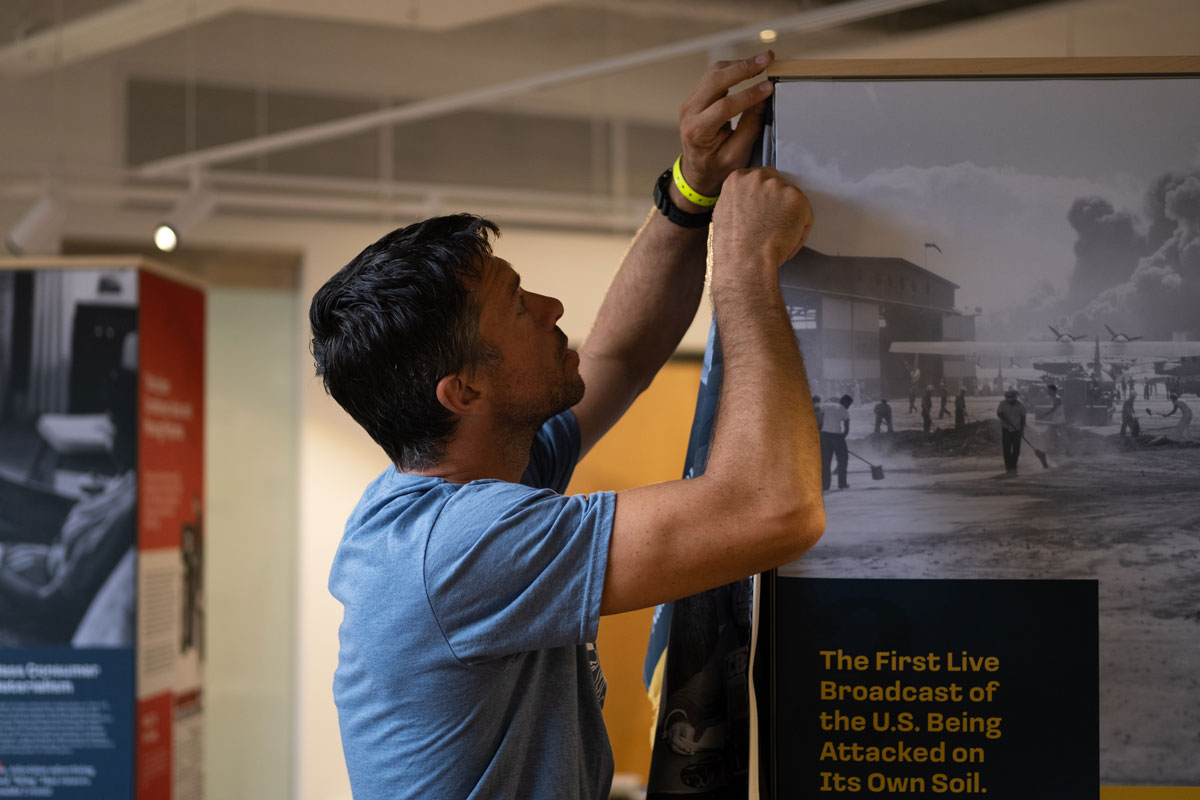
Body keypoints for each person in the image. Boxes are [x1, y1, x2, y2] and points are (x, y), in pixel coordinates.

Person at [309, 53, 825, 800]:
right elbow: (773, 508)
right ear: (465, 390)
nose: (552, 308)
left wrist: (691, 191)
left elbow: (620, 352)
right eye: (519, 306)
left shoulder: (474, 477)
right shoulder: (460, 548)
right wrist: (745, 270)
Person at [819, 394, 853, 491]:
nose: (848, 407)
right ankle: (842, 484)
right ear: (846, 402)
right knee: (843, 459)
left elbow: (815, 411)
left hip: (824, 436)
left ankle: (825, 485)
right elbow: (846, 428)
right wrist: (842, 438)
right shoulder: (844, 410)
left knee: (825, 461)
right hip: (837, 436)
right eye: (849, 404)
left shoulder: (826, 405)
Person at [996, 389, 1026, 474]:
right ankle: (1008, 467)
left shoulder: (1020, 405)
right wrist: (1004, 419)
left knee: (1016, 450)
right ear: (1006, 398)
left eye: (1012, 398)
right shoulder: (1002, 403)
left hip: (1017, 429)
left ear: (1015, 397)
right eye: (1008, 398)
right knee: (1006, 449)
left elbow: (1023, 418)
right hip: (1006, 429)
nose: (1010, 400)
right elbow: (999, 413)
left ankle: (1014, 466)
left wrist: (1022, 430)